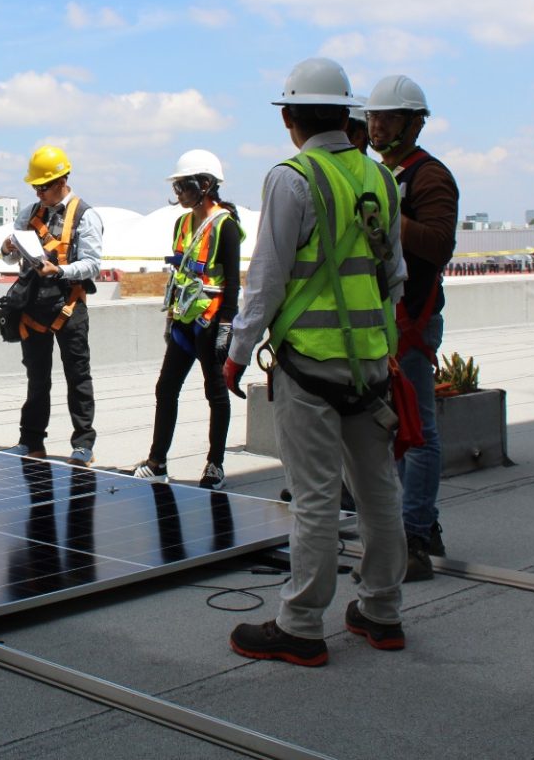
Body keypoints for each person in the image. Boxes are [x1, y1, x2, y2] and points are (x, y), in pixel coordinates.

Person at [222, 58, 406, 666]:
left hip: (310, 366)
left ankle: (301, 625)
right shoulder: (379, 178)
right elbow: (393, 277)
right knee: (379, 492)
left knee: (316, 499)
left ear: (291, 118)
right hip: (371, 365)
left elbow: (267, 277)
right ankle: (381, 612)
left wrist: (238, 351)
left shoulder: (292, 177)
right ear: (347, 112)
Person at [365, 75, 460, 581]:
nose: (375, 125)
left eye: (385, 117)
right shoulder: (383, 173)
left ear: (412, 123)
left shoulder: (428, 178)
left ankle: (416, 538)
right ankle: (421, 524)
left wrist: (385, 215)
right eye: (372, 117)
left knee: (417, 432)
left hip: (414, 321)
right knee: (393, 432)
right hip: (388, 322)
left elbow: (439, 245)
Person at [133, 149, 242, 488]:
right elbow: (180, 273)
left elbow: (233, 284)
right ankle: (157, 461)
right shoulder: (182, 223)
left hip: (210, 324)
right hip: (183, 323)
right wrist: (170, 322)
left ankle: (215, 465)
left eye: (184, 185)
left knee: (215, 393)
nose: (178, 193)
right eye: (177, 186)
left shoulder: (225, 226)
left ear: (206, 185)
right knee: (166, 388)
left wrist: (226, 326)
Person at [0, 146, 104, 466]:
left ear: (63, 180)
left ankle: (83, 444)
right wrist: (7, 249)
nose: (38, 192)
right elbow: (10, 256)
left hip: (69, 307)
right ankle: (31, 441)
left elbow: (92, 265)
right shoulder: (30, 213)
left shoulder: (86, 216)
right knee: (37, 378)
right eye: (35, 187)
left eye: (43, 186)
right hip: (33, 308)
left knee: (77, 375)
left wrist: (60, 271)